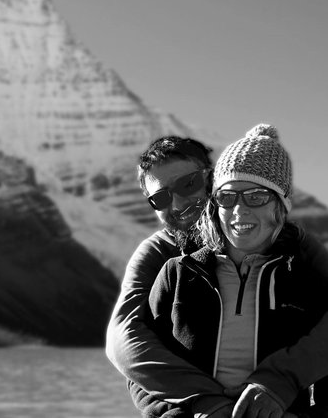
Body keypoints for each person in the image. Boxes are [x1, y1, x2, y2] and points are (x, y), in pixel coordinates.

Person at [106, 127, 328, 417]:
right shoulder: (162, 257)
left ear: (212, 177)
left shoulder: (294, 251)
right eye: (160, 198)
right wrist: (197, 406)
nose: (178, 203)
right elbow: (128, 345)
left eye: (188, 184)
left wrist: (281, 384)